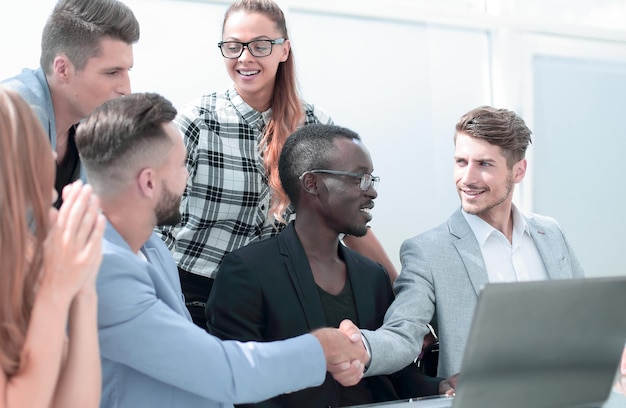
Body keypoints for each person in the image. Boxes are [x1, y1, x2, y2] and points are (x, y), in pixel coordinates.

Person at [74, 92, 368, 408]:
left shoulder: (153, 248)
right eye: (183, 164)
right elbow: (220, 371)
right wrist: (321, 348)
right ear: (148, 183)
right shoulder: (103, 269)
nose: (187, 176)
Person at [156, 0, 398, 327]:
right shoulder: (197, 122)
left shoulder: (315, 125)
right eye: (233, 46)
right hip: (191, 294)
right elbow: (150, 219)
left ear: (284, 50)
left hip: (275, 295)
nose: (245, 57)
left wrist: (402, 297)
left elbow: (345, 220)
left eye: (259, 45)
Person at [206, 123, 453, 407]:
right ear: (312, 183)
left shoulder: (372, 275)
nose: (371, 192)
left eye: (372, 179)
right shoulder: (247, 272)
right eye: (359, 178)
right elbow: (241, 383)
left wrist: (440, 386)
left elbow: (396, 376)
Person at [358, 105, 585, 379]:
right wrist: (361, 350)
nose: (467, 179)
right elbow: (403, 333)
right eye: (461, 162)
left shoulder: (551, 234)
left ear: (519, 171)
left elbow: (585, 317)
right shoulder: (428, 252)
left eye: (484, 164)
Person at [0, 86, 105, 407]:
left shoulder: (28, 256)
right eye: (33, 144)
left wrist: (84, 292)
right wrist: (56, 292)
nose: (50, 156)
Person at [2, 0, 139, 208]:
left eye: (127, 71)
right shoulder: (11, 114)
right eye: (112, 72)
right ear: (63, 69)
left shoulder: (92, 127)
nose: (126, 89)